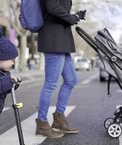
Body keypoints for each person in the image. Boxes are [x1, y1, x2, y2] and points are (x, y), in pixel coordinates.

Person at [36, 0, 86, 138]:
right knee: (51, 83)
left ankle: (58, 118)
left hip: (61, 40)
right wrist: (72, 18)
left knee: (71, 80)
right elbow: (52, 7)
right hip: (54, 40)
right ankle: (42, 123)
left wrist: (75, 16)